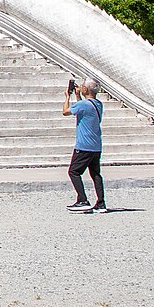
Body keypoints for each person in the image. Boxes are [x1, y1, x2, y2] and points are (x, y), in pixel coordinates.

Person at [63, 78, 107, 213]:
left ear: (85, 89)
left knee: (73, 172)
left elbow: (65, 112)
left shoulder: (83, 105)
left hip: (83, 145)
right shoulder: (98, 104)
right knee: (96, 174)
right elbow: (83, 110)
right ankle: (101, 203)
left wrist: (67, 96)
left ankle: (82, 200)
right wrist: (78, 96)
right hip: (96, 145)